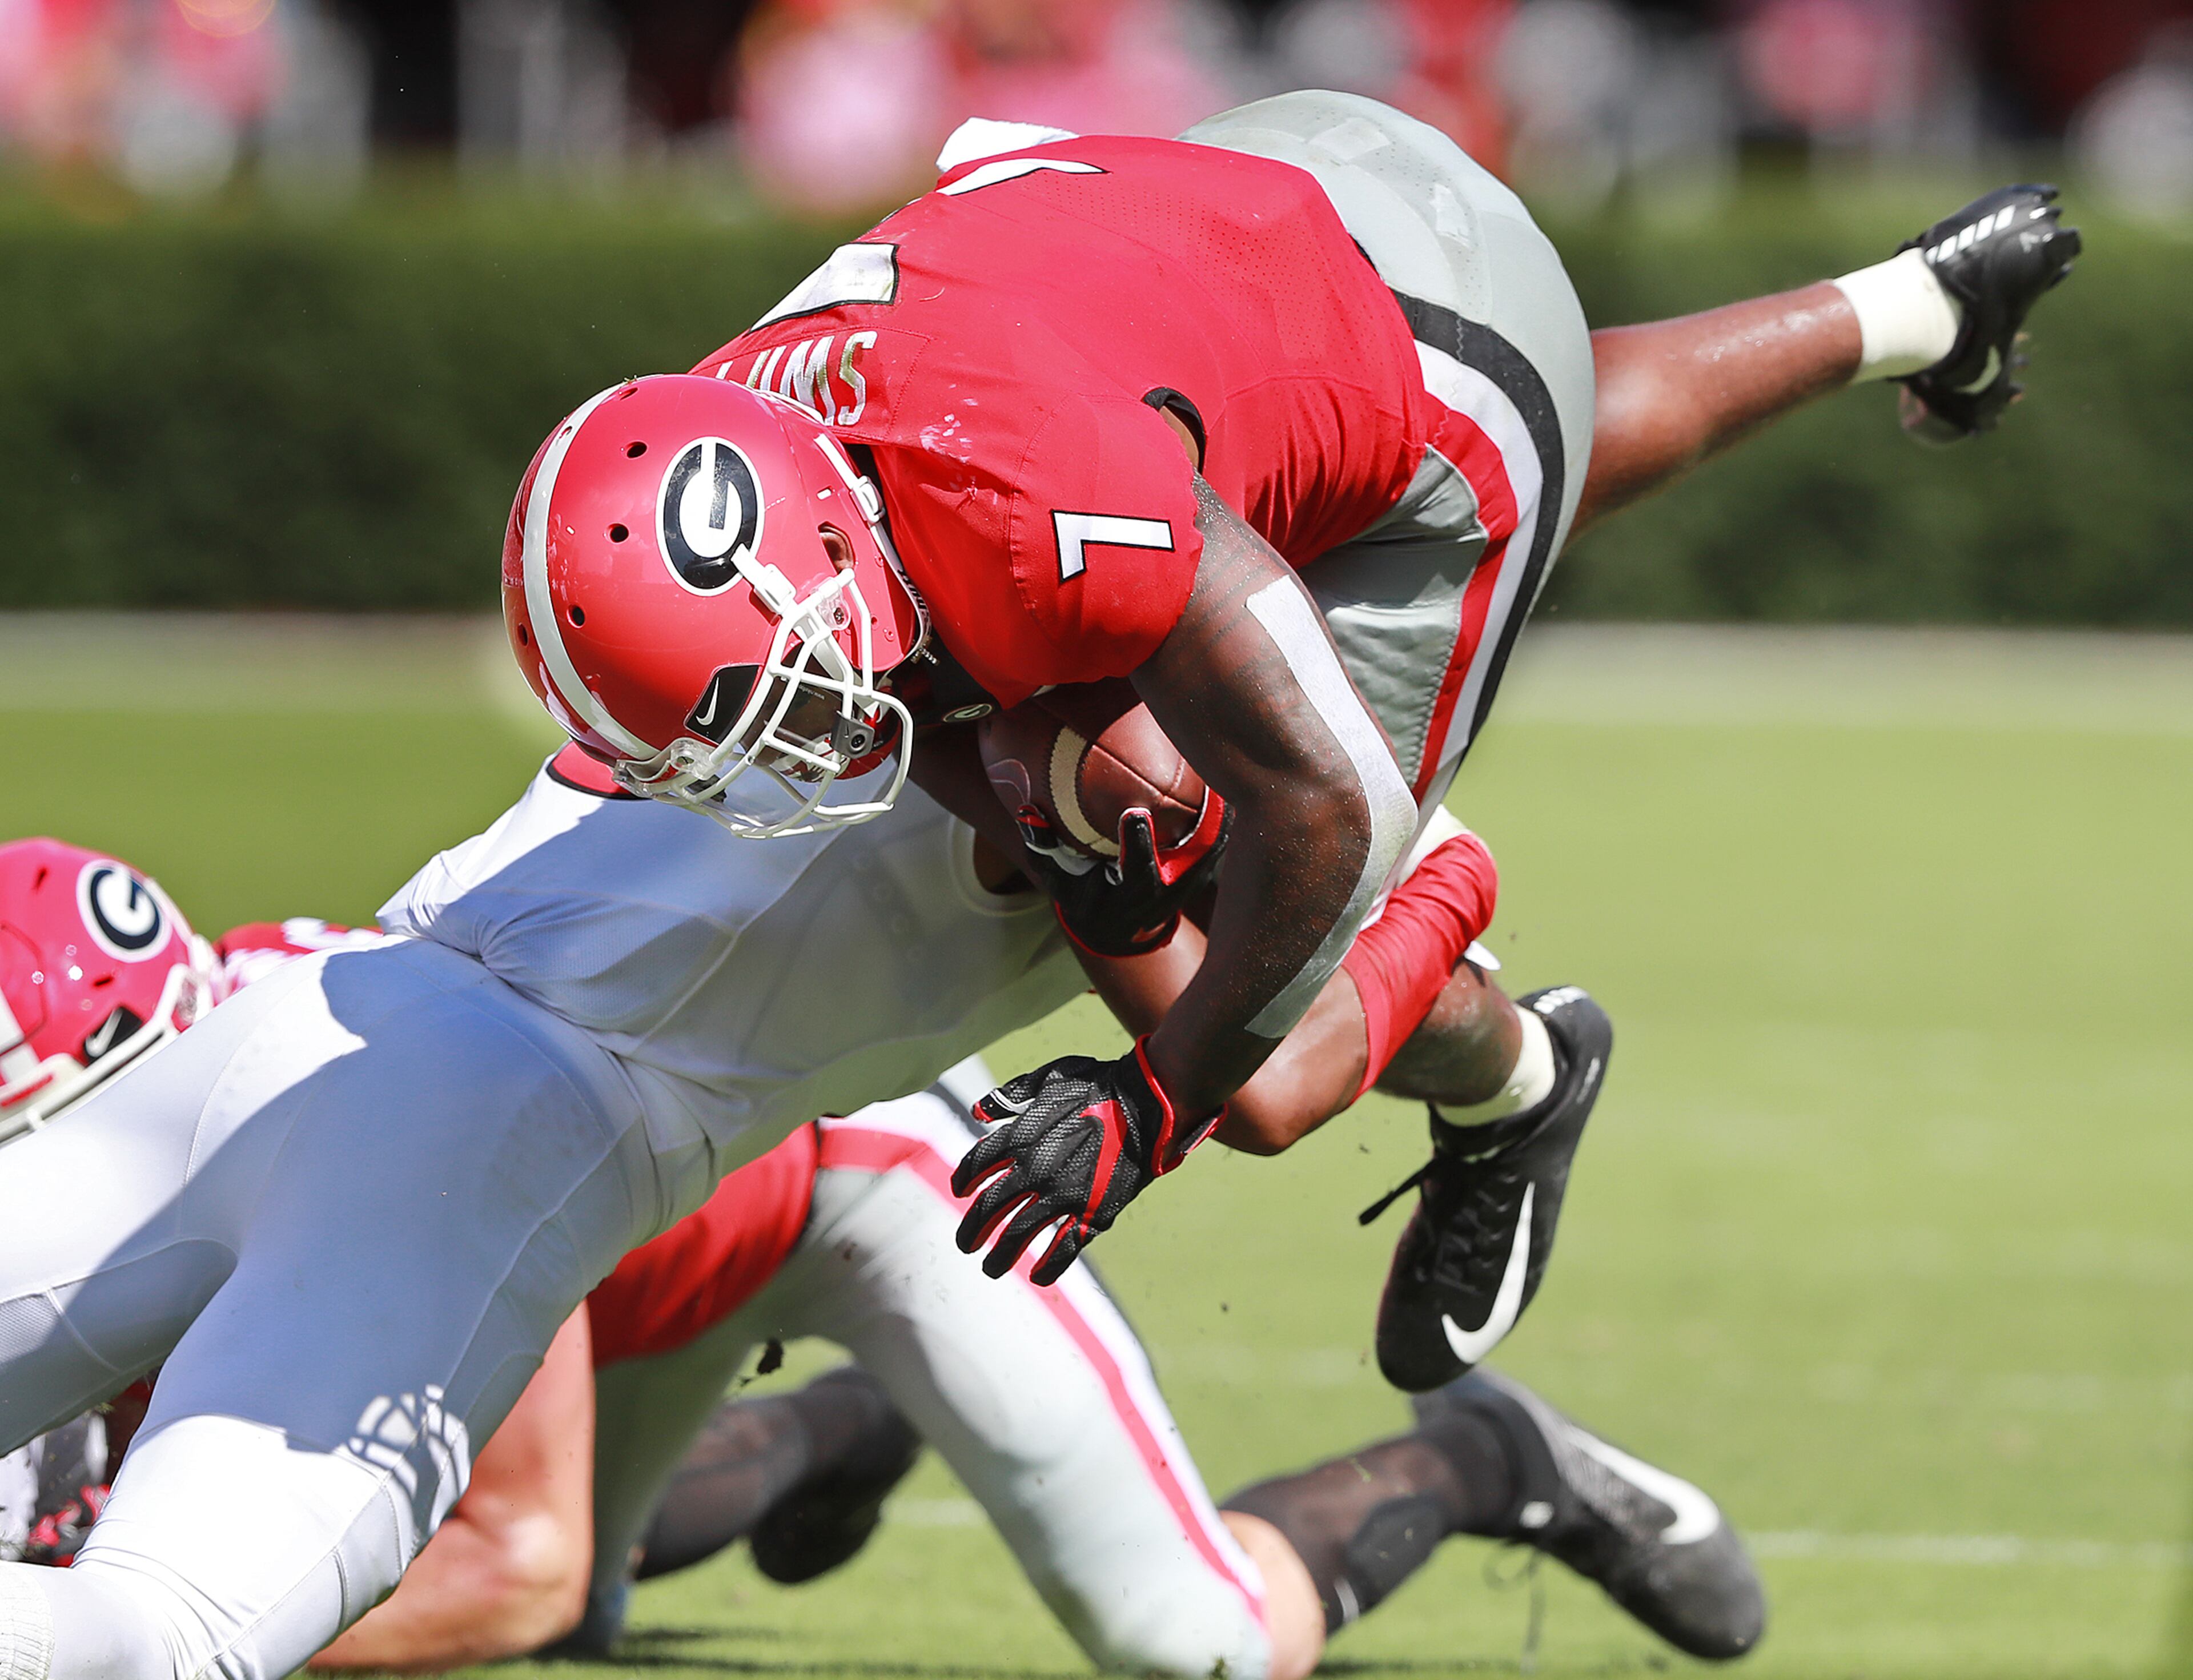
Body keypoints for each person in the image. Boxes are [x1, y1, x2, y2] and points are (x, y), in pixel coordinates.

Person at [503, 91, 2080, 1383]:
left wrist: (1149, 1103)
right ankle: (1924, 301)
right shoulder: (752, 412)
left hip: (1419, 329)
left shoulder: (1031, 505)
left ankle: (1518, 1065)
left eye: (766, 700)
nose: (774, 747)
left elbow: (1317, 809)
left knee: (1248, 1042)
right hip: (1264, 176)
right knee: (1083, 733)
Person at [0, 842, 1762, 1675]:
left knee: (1196, 1642)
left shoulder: (369, 1119)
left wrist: (104, 1623)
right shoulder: (224, 1047)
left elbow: (509, 1556)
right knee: (577, 1616)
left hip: (871, 1176)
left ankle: (1483, 1458)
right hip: (641, 1238)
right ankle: (838, 1433)